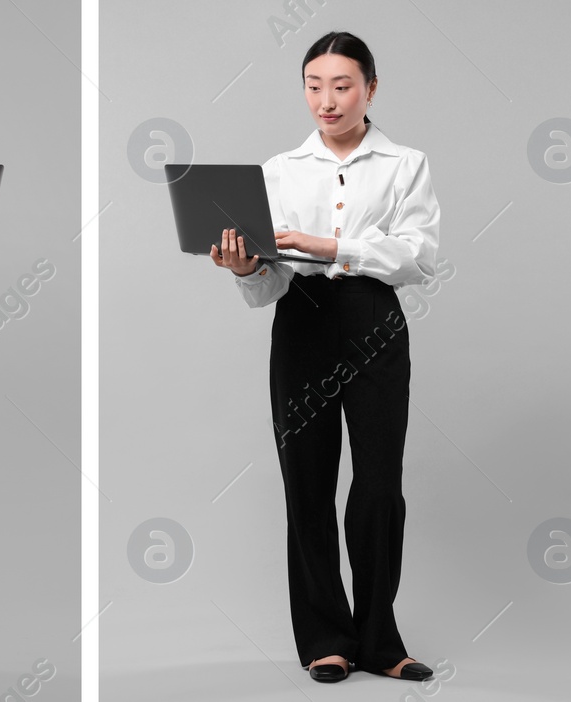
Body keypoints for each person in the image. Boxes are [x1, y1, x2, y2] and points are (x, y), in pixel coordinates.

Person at [211, 31, 440, 684]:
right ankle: (325, 639)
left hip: (373, 322)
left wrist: (330, 244)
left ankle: (380, 638)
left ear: (370, 87)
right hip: (303, 322)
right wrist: (242, 266)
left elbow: (420, 255)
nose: (327, 100)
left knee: (377, 487)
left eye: (342, 85)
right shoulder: (280, 170)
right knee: (306, 483)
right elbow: (268, 288)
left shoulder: (405, 164)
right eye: (314, 86)